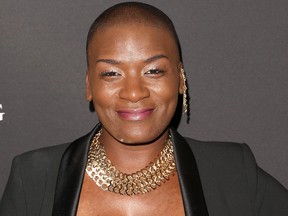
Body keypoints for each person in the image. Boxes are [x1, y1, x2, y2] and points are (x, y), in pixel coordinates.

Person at [0, 2, 288, 216]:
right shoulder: (33, 177)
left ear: (180, 78)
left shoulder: (233, 172)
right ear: (89, 85)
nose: (134, 93)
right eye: (111, 74)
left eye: (153, 70)